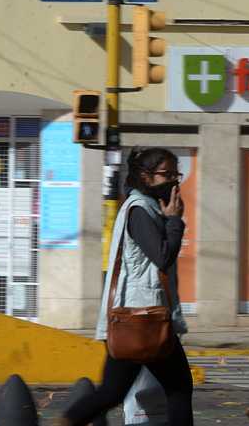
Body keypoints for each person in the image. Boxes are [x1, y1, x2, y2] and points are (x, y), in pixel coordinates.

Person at [60, 147, 193, 426]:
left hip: (138, 313)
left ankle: (65, 422)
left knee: (113, 392)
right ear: (145, 176)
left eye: (175, 174)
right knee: (178, 388)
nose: (173, 181)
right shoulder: (140, 211)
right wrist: (174, 221)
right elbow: (162, 256)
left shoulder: (145, 207)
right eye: (166, 174)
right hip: (143, 316)